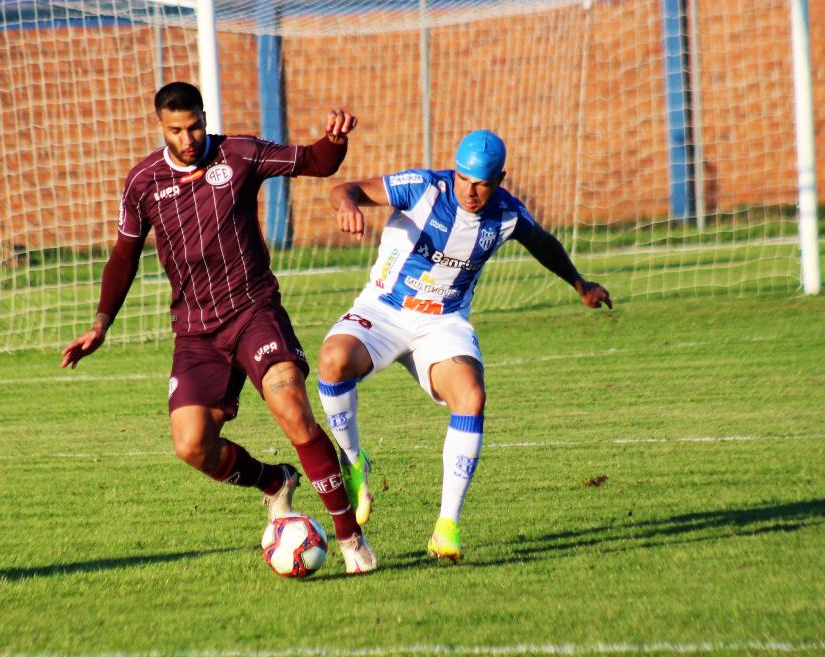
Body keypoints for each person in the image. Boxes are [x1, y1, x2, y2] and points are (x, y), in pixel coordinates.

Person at [61, 81, 376, 574]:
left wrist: (335, 141)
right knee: (191, 445)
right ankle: (275, 482)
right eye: (175, 131)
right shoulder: (143, 182)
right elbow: (123, 257)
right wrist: (101, 323)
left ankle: (349, 536)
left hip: (253, 311)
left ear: (205, 118)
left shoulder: (241, 154)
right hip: (195, 332)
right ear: (161, 127)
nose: (187, 139)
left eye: (194, 127)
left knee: (291, 407)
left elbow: (316, 162)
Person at [317, 129, 612, 563]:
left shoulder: (507, 214)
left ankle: (446, 527)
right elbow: (347, 189)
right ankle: (354, 461)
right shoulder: (423, 187)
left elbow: (543, 244)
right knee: (333, 360)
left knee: (471, 397)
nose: (470, 192)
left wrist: (580, 284)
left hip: (443, 323)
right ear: (453, 171)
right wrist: (346, 205)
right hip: (383, 310)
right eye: (463, 179)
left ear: (500, 180)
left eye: (482, 184)